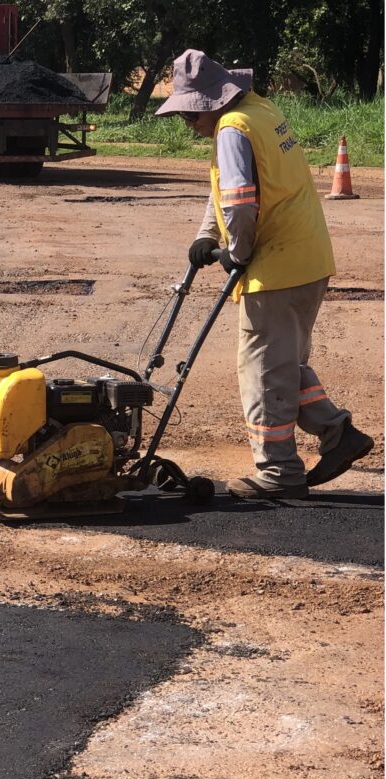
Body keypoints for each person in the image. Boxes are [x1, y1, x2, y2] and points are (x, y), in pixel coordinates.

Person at [156, 49, 374, 500]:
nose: (188, 123)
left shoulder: (232, 130)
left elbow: (240, 203)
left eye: (190, 112)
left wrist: (236, 252)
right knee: (284, 364)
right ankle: (338, 433)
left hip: (275, 268)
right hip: (307, 259)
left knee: (261, 372)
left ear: (212, 101)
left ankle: (278, 473)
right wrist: (204, 236)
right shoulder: (258, 110)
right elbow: (229, 188)